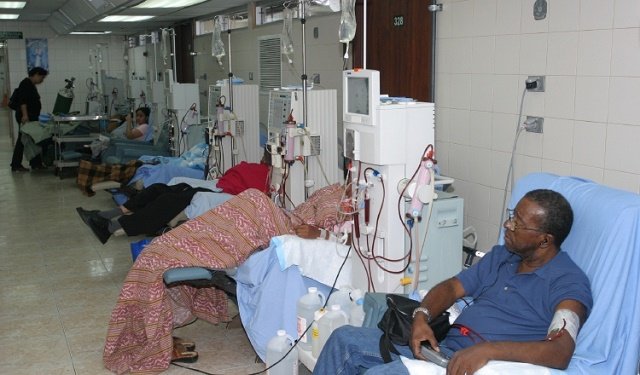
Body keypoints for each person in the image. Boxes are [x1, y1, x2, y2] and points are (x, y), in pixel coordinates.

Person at [314, 189, 593, 375]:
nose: (507, 226)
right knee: (344, 339)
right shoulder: (503, 256)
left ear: (545, 240)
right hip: (443, 348)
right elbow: (452, 287)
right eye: (511, 217)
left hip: (481, 366)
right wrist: (422, 316)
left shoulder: (567, 283)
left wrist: (487, 350)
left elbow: (560, 351)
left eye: (518, 224)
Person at [103, 182, 348, 374]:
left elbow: (341, 241)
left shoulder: (350, 209)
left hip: (284, 225)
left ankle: (165, 250)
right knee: (248, 199)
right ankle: (168, 248)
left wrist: (323, 234)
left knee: (251, 199)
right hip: (275, 215)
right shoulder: (337, 190)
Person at [76, 159, 272, 243]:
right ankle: (105, 217)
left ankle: (108, 226)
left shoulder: (272, 177)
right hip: (219, 184)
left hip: (222, 190)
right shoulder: (256, 166)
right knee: (158, 189)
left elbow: (254, 193)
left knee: (170, 199)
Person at [10, 67, 48, 172]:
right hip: (26, 117)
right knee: (22, 141)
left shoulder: (30, 85)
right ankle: (16, 164)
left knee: (33, 139)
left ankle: (35, 163)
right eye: (42, 77)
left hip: (30, 116)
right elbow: (23, 102)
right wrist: (25, 115)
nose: (42, 80)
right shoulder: (25, 84)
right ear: (36, 74)